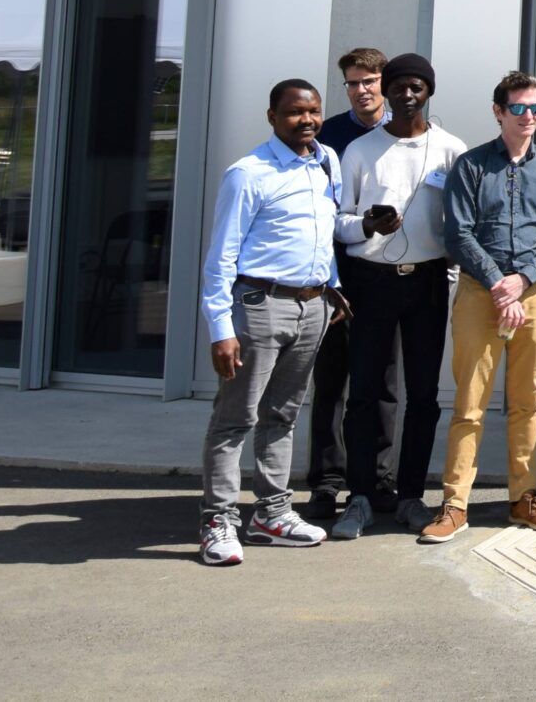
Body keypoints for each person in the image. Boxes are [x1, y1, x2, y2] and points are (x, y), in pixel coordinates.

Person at [198, 81, 345, 566]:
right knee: (235, 418)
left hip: (313, 307)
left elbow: (325, 230)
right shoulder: (248, 174)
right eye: (294, 113)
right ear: (272, 116)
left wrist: (333, 286)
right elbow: (221, 256)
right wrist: (221, 327)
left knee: (282, 415)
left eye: (314, 112)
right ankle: (218, 521)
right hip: (260, 306)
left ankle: (271, 514)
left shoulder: (326, 162)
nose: (306, 120)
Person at [422, 71, 536, 543]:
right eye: (520, 108)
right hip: (478, 292)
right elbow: (458, 233)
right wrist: (498, 284)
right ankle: (455, 503)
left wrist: (523, 279)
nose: (529, 117)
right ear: (498, 111)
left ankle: (524, 496)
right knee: (470, 403)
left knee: (527, 400)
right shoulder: (470, 166)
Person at [328, 50, 464, 539]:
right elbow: (338, 222)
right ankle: (360, 495)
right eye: (399, 86)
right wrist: (367, 223)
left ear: (428, 91)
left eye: (416, 87)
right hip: (373, 280)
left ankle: (410, 496)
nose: (407, 95)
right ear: (385, 92)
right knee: (365, 390)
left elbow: (460, 224)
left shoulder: (451, 150)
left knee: (423, 394)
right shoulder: (361, 150)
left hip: (427, 281)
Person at [305, 47, 388, 524]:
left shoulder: (407, 129)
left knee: (383, 385)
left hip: (386, 277)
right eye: (353, 82)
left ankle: (379, 478)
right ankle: (327, 481)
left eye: (370, 80)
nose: (362, 90)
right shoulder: (330, 134)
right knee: (331, 382)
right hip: (334, 279)